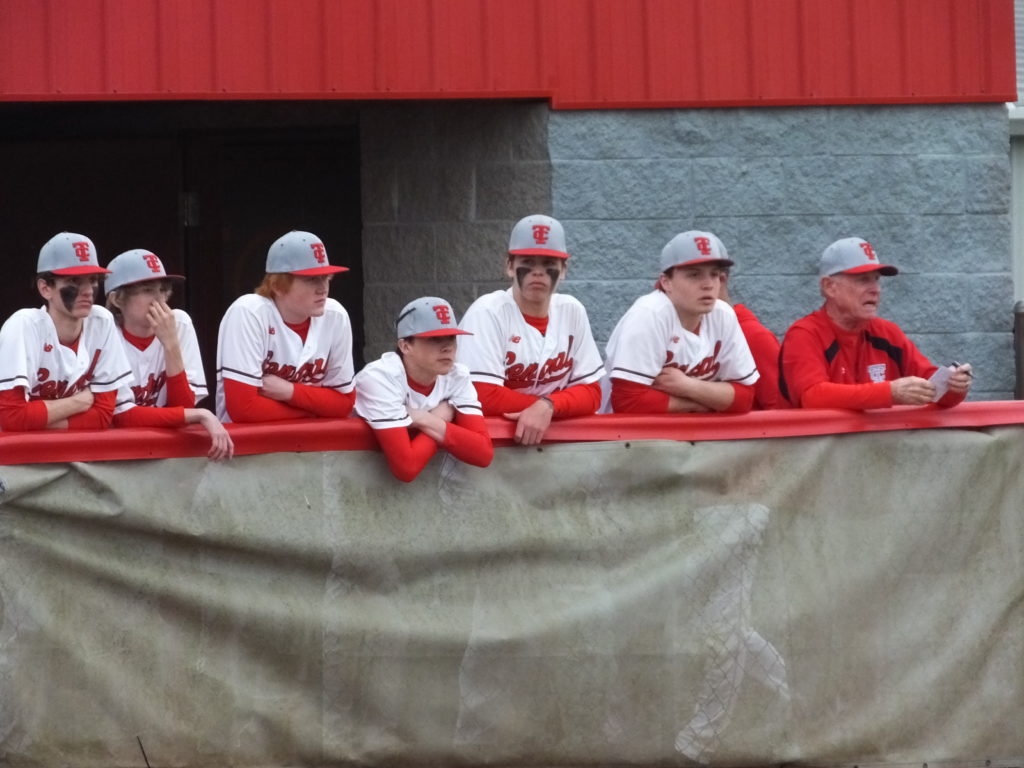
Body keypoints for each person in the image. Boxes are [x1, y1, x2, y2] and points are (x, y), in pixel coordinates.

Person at [456, 215, 604, 445]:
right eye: (528, 262)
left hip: (548, 445)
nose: (538, 272)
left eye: (548, 264)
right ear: (509, 266)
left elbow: (592, 393)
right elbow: (482, 395)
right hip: (488, 444)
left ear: (563, 270)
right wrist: (548, 408)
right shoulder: (487, 312)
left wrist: (549, 406)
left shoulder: (572, 311)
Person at [779, 237, 972, 409]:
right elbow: (813, 396)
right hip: (824, 439)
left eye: (876, 280)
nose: (875, 289)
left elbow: (930, 383)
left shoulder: (887, 332)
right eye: (863, 280)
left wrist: (953, 386)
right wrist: (890, 393)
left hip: (882, 439)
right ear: (830, 287)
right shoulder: (804, 334)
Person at [604, 231, 759, 413]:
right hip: (626, 430)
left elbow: (745, 398)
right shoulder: (650, 315)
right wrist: (701, 404)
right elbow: (628, 402)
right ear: (666, 282)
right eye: (694, 275)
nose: (708, 284)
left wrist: (688, 386)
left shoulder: (723, 315)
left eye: (714, 274)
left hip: (688, 430)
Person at [105, 249, 233, 460]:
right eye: (147, 290)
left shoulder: (179, 324)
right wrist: (200, 415)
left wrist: (171, 344)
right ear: (117, 299)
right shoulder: (105, 332)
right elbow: (122, 417)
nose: (159, 300)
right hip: (114, 455)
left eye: (163, 290)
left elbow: (183, 407)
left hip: (163, 454)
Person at [215, 231, 356, 423]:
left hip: (310, 439)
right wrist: (315, 411)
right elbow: (244, 409)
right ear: (278, 286)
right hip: (252, 440)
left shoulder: (335, 316)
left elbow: (344, 403)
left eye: (326, 278)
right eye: (311, 279)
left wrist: (290, 392)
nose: (323, 288)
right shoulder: (249, 313)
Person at [0, 232, 132, 431]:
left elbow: (103, 416)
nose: (88, 291)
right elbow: (11, 417)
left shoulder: (102, 322)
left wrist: (37, 420)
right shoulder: (24, 325)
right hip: (19, 451)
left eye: (93, 279)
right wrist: (78, 402)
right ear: (45, 288)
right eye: (74, 281)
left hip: (63, 447)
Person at [354, 297, 493, 483]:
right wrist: (441, 419)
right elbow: (406, 467)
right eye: (435, 339)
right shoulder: (380, 378)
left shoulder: (457, 376)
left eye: (452, 337)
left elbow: (483, 453)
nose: (448, 348)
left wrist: (426, 419)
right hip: (348, 472)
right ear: (405, 346)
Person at [717, 268, 787, 410]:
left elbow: (780, 411)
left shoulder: (753, 336)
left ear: (721, 279)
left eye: (694, 275)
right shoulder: (682, 335)